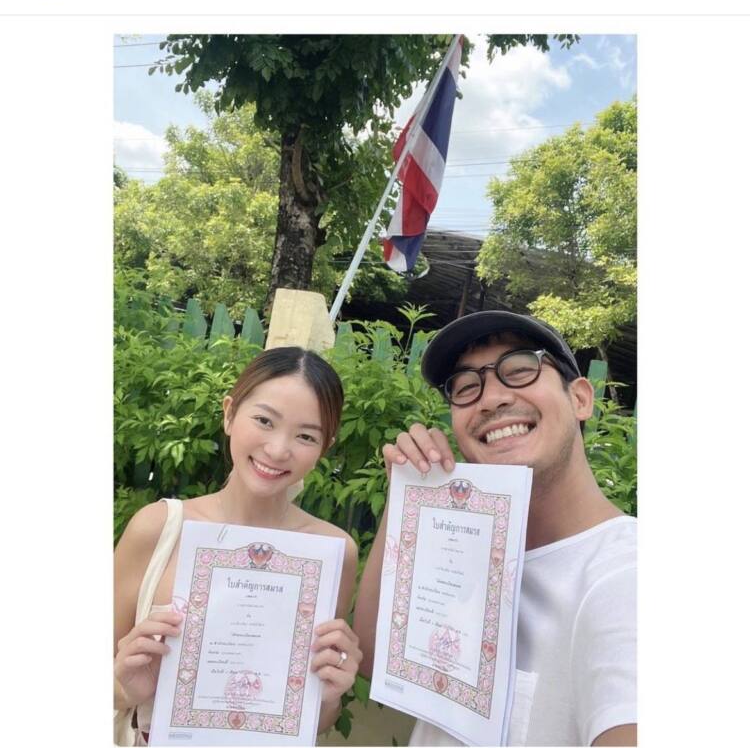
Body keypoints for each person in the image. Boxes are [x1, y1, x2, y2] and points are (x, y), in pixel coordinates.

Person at [353, 311, 636, 747]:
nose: (490, 399)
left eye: (520, 369)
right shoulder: (466, 553)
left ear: (581, 398)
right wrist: (406, 492)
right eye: (466, 386)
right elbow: (374, 657)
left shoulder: (625, 577)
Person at [114, 347, 362, 745]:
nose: (278, 449)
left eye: (305, 436)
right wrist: (124, 689)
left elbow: (312, 720)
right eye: (264, 420)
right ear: (229, 413)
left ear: (324, 448)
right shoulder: (159, 528)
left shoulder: (332, 551)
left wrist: (331, 694)